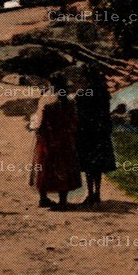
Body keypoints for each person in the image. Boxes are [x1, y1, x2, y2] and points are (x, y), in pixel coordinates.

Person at [28, 77, 82, 209]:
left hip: (47, 140)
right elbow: (74, 123)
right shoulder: (70, 103)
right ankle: (63, 201)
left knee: (45, 167)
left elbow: (39, 123)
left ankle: (43, 198)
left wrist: (35, 127)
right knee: (64, 167)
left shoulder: (47, 101)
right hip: (64, 140)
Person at [73, 61, 117, 207]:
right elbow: (106, 113)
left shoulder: (84, 92)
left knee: (88, 164)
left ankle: (91, 194)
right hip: (101, 131)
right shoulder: (103, 92)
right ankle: (97, 193)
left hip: (87, 131)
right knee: (97, 165)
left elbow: (78, 111)